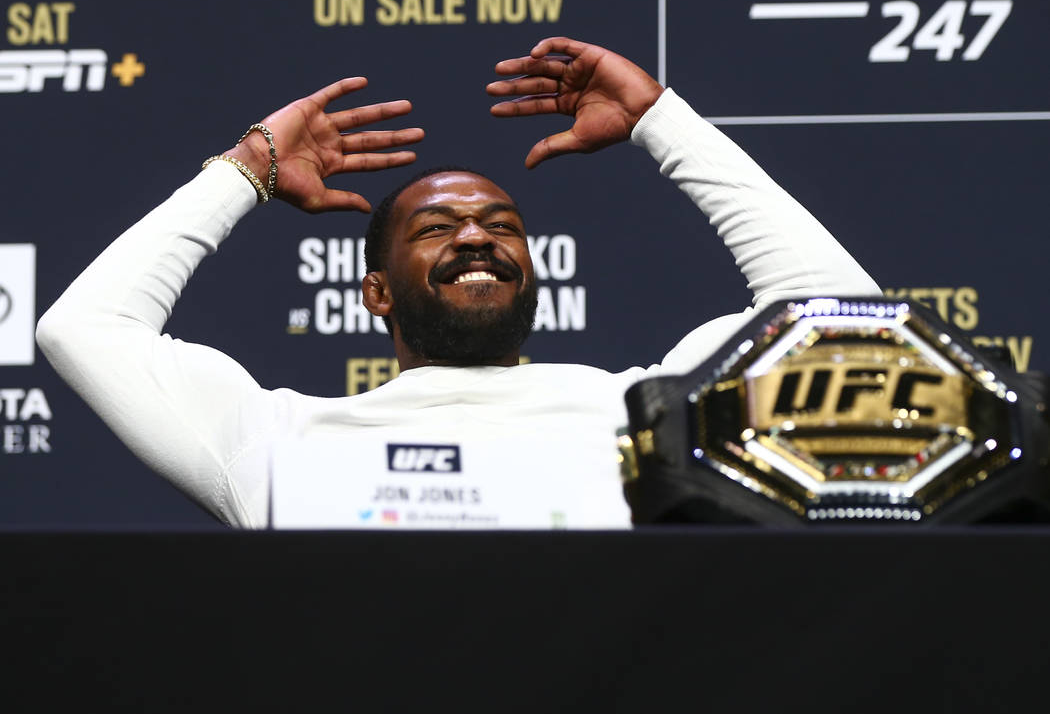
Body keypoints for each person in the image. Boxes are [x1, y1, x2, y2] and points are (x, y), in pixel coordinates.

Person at [36, 37, 879, 527]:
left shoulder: (645, 412)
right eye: (437, 228)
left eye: (503, 225)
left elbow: (841, 322)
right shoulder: (275, 438)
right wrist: (246, 169)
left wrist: (664, 123)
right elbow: (84, 329)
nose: (477, 233)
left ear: (530, 273)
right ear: (376, 291)